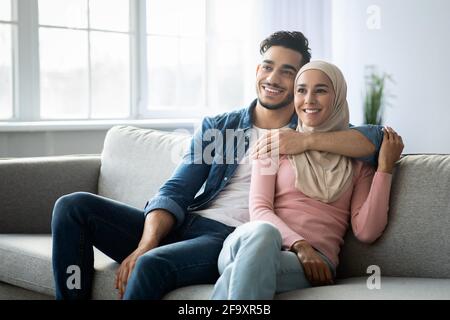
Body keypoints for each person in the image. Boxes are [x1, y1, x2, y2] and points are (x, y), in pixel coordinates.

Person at [52, 31, 385, 300]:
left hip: (230, 238)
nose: (273, 78)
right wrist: (145, 243)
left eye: (288, 72)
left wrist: (305, 141)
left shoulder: (315, 126)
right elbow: (177, 190)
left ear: (300, 84)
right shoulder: (220, 127)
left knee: (152, 265)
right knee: (72, 207)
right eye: (268, 66)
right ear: (257, 70)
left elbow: (376, 140)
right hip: (188, 224)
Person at [210, 61, 404, 300]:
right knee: (264, 232)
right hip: (247, 242)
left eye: (320, 90)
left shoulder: (358, 163)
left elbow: (367, 231)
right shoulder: (275, 145)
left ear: (338, 97)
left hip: (313, 264)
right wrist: (301, 245)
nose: (309, 99)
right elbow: (259, 210)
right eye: (301, 90)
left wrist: (384, 169)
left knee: (237, 275)